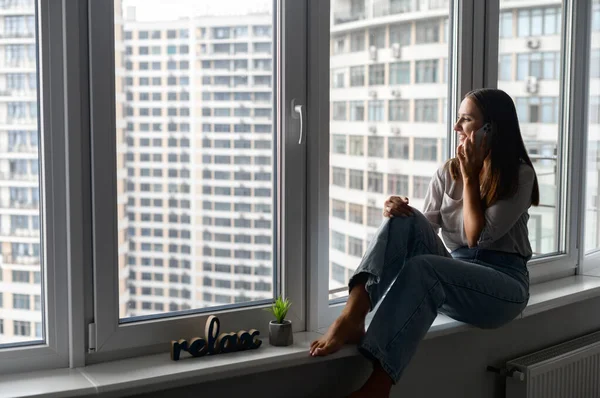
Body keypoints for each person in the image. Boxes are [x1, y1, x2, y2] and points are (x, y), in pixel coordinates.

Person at [309, 88, 539, 398]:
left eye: (467, 120)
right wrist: (396, 210)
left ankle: (378, 386)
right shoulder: (448, 171)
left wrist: (471, 177)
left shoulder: (520, 176)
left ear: (490, 129)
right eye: (458, 119)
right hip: (453, 278)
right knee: (405, 219)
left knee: (426, 267)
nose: (457, 127)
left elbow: (478, 237)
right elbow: (419, 233)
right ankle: (353, 316)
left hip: (504, 288)